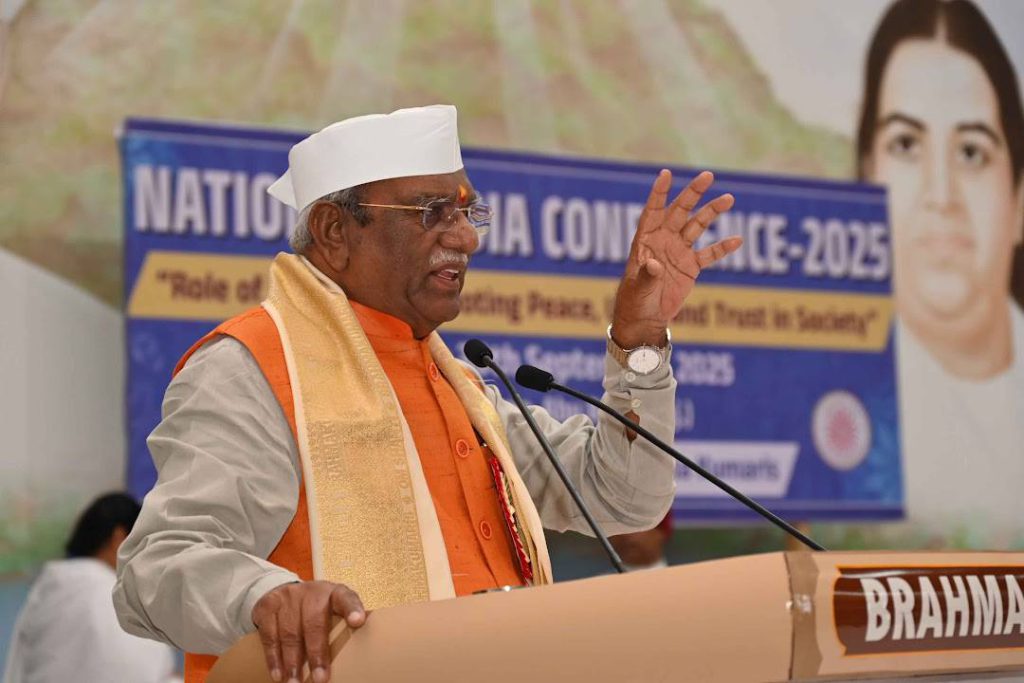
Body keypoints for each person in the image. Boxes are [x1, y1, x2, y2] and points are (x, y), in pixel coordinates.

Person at [113, 104, 741, 683]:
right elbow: (157, 563)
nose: (467, 238)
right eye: (431, 213)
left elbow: (624, 498)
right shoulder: (253, 368)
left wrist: (639, 339)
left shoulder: (460, 386)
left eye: (467, 212)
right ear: (335, 232)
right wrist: (265, 598)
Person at [856, 0, 1024, 540]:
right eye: (906, 145)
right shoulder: (839, 406)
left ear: (1019, 197)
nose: (941, 195)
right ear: (867, 175)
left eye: (972, 152)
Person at [3, 493, 179, 683]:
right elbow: (143, 673)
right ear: (119, 538)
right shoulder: (114, 600)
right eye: (144, 545)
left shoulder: (49, 589)